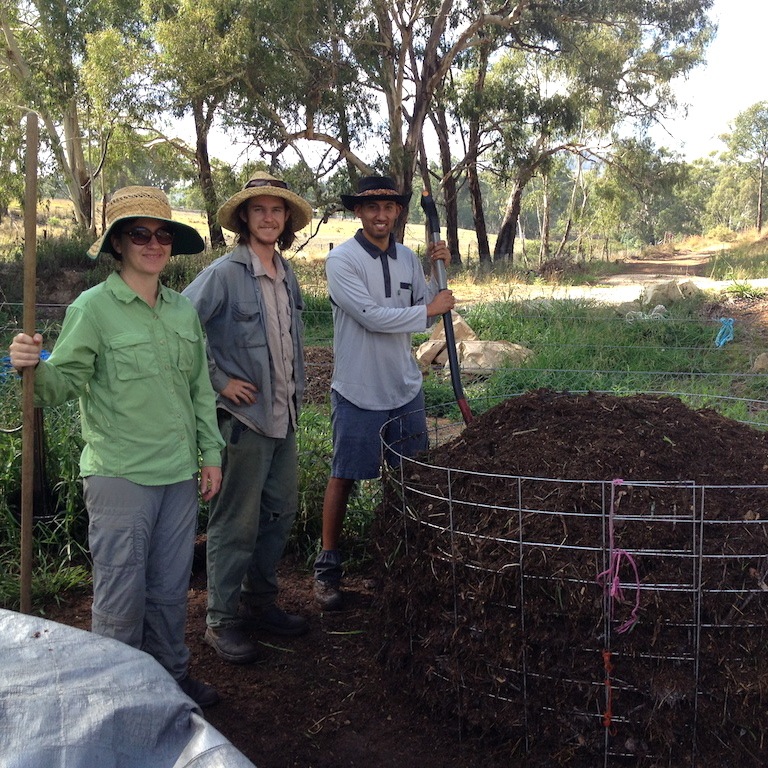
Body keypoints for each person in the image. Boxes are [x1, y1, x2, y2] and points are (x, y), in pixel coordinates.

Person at [8, 186, 225, 707]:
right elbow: (62, 386)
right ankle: (116, 696)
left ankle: (169, 680)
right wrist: (30, 366)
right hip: (121, 476)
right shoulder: (93, 309)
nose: (154, 244)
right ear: (118, 244)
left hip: (177, 474)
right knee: (121, 598)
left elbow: (198, 388)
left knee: (171, 592)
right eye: (140, 234)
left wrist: (211, 453)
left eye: (163, 234)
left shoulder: (180, 311)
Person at [182, 171, 312, 664]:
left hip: (285, 419)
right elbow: (183, 323)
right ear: (244, 218)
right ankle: (222, 620)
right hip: (244, 422)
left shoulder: (285, 272)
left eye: (276, 210)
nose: (268, 218)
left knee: (279, 513)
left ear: (286, 220)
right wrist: (219, 381)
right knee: (235, 522)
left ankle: (261, 603)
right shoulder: (224, 274)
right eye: (259, 210)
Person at [312, 175, 455, 610]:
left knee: (412, 478)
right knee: (346, 475)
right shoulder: (343, 261)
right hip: (358, 389)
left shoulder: (409, 258)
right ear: (358, 211)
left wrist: (438, 275)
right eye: (371, 206)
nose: (380, 214)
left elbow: (427, 304)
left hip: (404, 387)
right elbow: (373, 316)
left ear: (397, 212)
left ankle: (403, 561)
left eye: (388, 206)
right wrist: (430, 308)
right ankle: (328, 569)